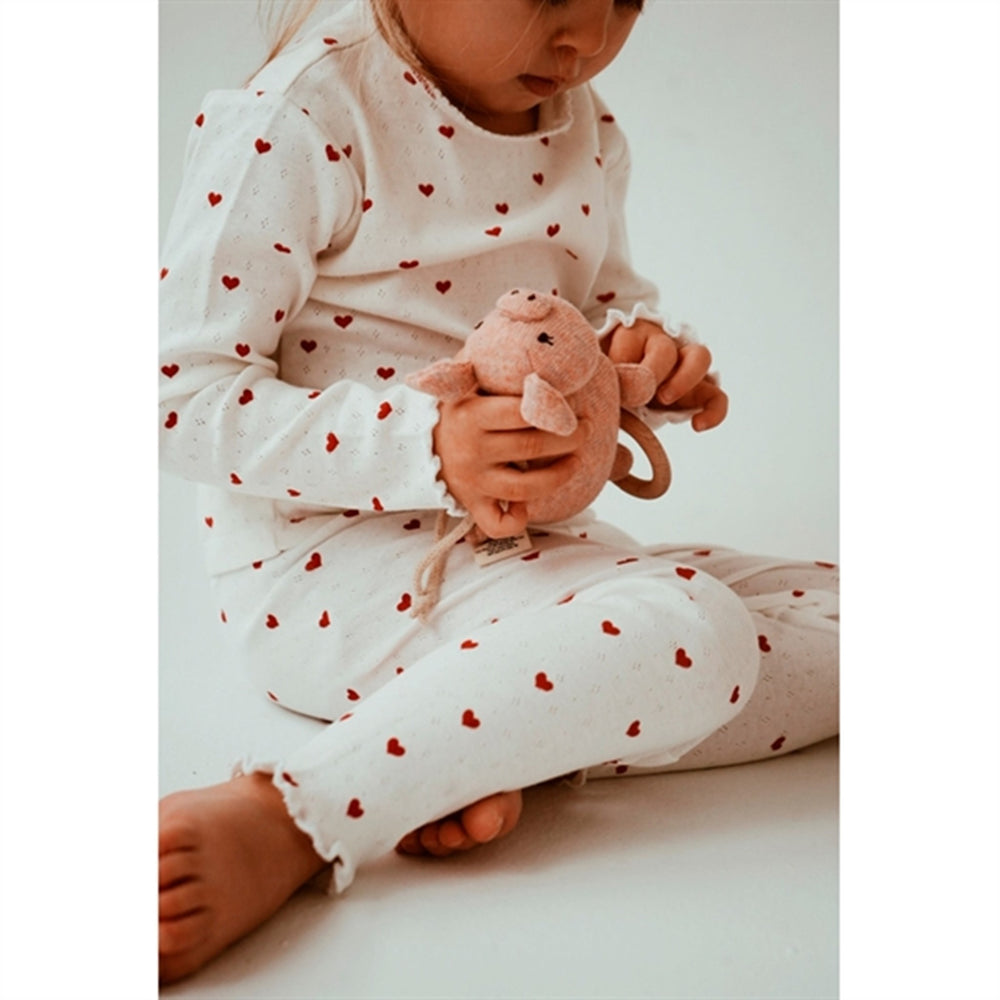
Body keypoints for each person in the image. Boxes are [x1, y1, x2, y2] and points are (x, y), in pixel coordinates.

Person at [158, 0, 838, 984]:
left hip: (518, 553)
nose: (588, 38)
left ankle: (483, 738)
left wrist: (636, 356)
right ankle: (301, 813)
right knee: (698, 632)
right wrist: (427, 445)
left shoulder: (583, 122)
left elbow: (592, 306)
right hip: (329, 573)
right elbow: (178, 397)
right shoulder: (300, 119)